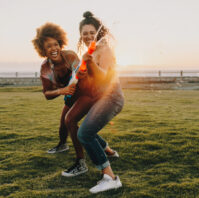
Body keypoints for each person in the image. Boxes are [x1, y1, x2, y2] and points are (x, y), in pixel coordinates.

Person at [32, 22, 118, 177]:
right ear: (42, 50)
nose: (54, 49)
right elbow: (47, 94)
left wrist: (82, 73)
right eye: (49, 47)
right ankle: (106, 150)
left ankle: (81, 163)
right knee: (66, 124)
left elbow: (82, 72)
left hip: (86, 92)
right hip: (70, 96)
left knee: (70, 120)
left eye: (56, 44)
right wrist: (61, 90)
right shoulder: (45, 68)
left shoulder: (69, 55)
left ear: (60, 44)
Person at [75, 11, 124, 193]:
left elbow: (105, 78)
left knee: (84, 134)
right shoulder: (89, 52)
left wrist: (91, 65)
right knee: (87, 129)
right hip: (101, 98)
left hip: (112, 98)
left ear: (98, 33)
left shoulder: (105, 50)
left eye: (91, 33)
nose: (88, 36)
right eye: (84, 33)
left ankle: (110, 177)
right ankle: (109, 151)